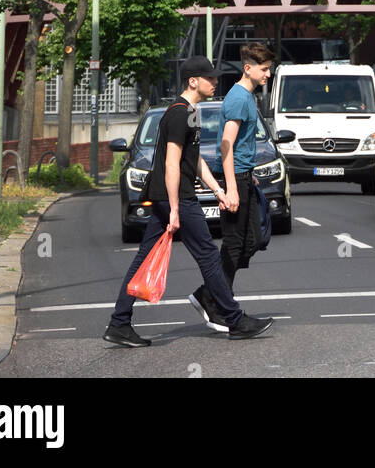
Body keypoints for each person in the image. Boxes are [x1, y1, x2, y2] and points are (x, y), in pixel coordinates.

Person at [103, 57, 273, 346]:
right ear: (193, 81)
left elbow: (193, 161)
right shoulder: (179, 114)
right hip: (176, 196)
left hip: (171, 196)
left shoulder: (190, 112)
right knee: (208, 255)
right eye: (210, 78)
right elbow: (171, 164)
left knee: (144, 259)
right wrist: (175, 208)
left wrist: (218, 190)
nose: (215, 82)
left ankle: (119, 323)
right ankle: (234, 320)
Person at [190, 43, 274, 322]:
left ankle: (209, 294)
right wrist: (232, 186)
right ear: (247, 68)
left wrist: (247, 175)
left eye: (269, 69)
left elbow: (239, 146)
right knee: (236, 243)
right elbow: (226, 145)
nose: (268, 75)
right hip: (234, 177)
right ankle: (216, 303)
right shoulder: (238, 99)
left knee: (252, 240)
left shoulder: (246, 96)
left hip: (242, 174)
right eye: (264, 69)